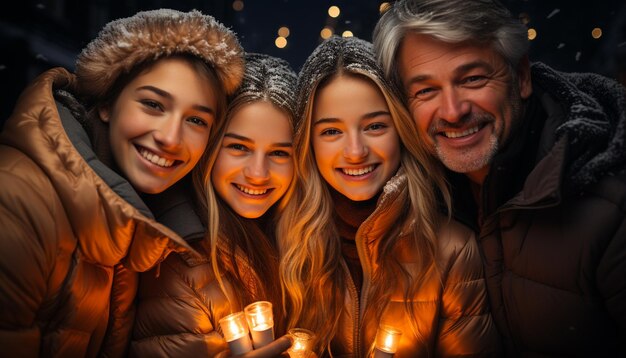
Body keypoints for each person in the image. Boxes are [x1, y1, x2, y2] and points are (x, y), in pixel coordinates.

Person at [373, 0, 626, 356]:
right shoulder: (417, 201)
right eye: (426, 90)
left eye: (472, 78)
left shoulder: (609, 205)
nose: (453, 111)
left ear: (521, 77)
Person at [0, 9, 244, 356]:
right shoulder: (18, 205)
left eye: (195, 119)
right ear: (107, 103)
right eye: (152, 104)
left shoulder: (149, 216)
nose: (171, 138)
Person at [277, 35, 500, 357]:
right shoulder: (285, 239)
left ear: (401, 129)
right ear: (307, 143)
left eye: (375, 126)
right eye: (331, 131)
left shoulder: (451, 249)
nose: (355, 152)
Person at [131, 53, 297, 357]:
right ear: (209, 148)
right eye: (238, 147)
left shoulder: (300, 245)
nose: (258, 173)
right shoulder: (179, 265)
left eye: (279, 153)